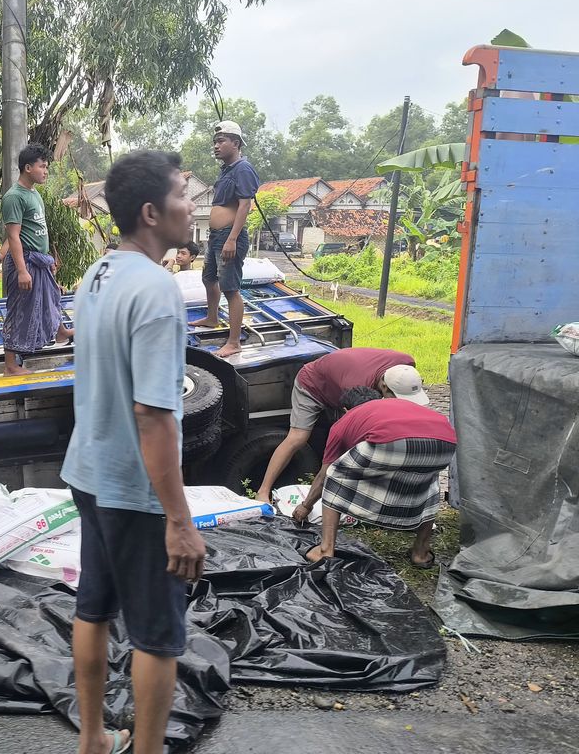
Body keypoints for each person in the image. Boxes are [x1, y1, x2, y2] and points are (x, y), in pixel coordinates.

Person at [62, 150, 206, 754]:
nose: (192, 204)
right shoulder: (158, 291)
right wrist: (178, 519)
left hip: (88, 470)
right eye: (183, 194)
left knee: (92, 606)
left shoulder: (95, 274)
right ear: (151, 212)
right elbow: (153, 414)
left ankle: (93, 738)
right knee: (156, 636)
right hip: (133, 488)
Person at [295, 388, 457, 566]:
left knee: (335, 474)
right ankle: (421, 553)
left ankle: (325, 550)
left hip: (392, 440)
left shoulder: (346, 420)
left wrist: (306, 506)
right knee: (429, 483)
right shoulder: (394, 406)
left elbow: (324, 475)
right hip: (446, 443)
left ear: (345, 410)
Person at [254, 348, 428, 506]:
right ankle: (263, 491)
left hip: (340, 380)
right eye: (396, 397)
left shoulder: (406, 366)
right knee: (298, 437)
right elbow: (355, 433)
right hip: (313, 385)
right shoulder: (357, 385)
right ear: (383, 386)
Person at [1, 143, 72, 375]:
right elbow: (13, 237)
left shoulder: (34, 195)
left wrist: (49, 261)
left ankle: (60, 332)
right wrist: (22, 270)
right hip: (26, 261)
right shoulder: (14, 197)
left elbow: (39, 231)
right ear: (28, 168)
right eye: (42, 166)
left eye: (47, 166)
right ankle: (11, 365)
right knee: (18, 309)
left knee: (52, 296)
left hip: (40, 261)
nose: (46, 170)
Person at [190, 120, 259, 358]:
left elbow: (244, 205)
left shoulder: (243, 169)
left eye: (221, 141)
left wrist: (232, 238)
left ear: (236, 143)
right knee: (209, 278)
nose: (216, 146)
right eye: (215, 142)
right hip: (216, 236)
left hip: (230, 237)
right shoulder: (226, 170)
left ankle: (233, 342)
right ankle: (212, 317)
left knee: (231, 289)